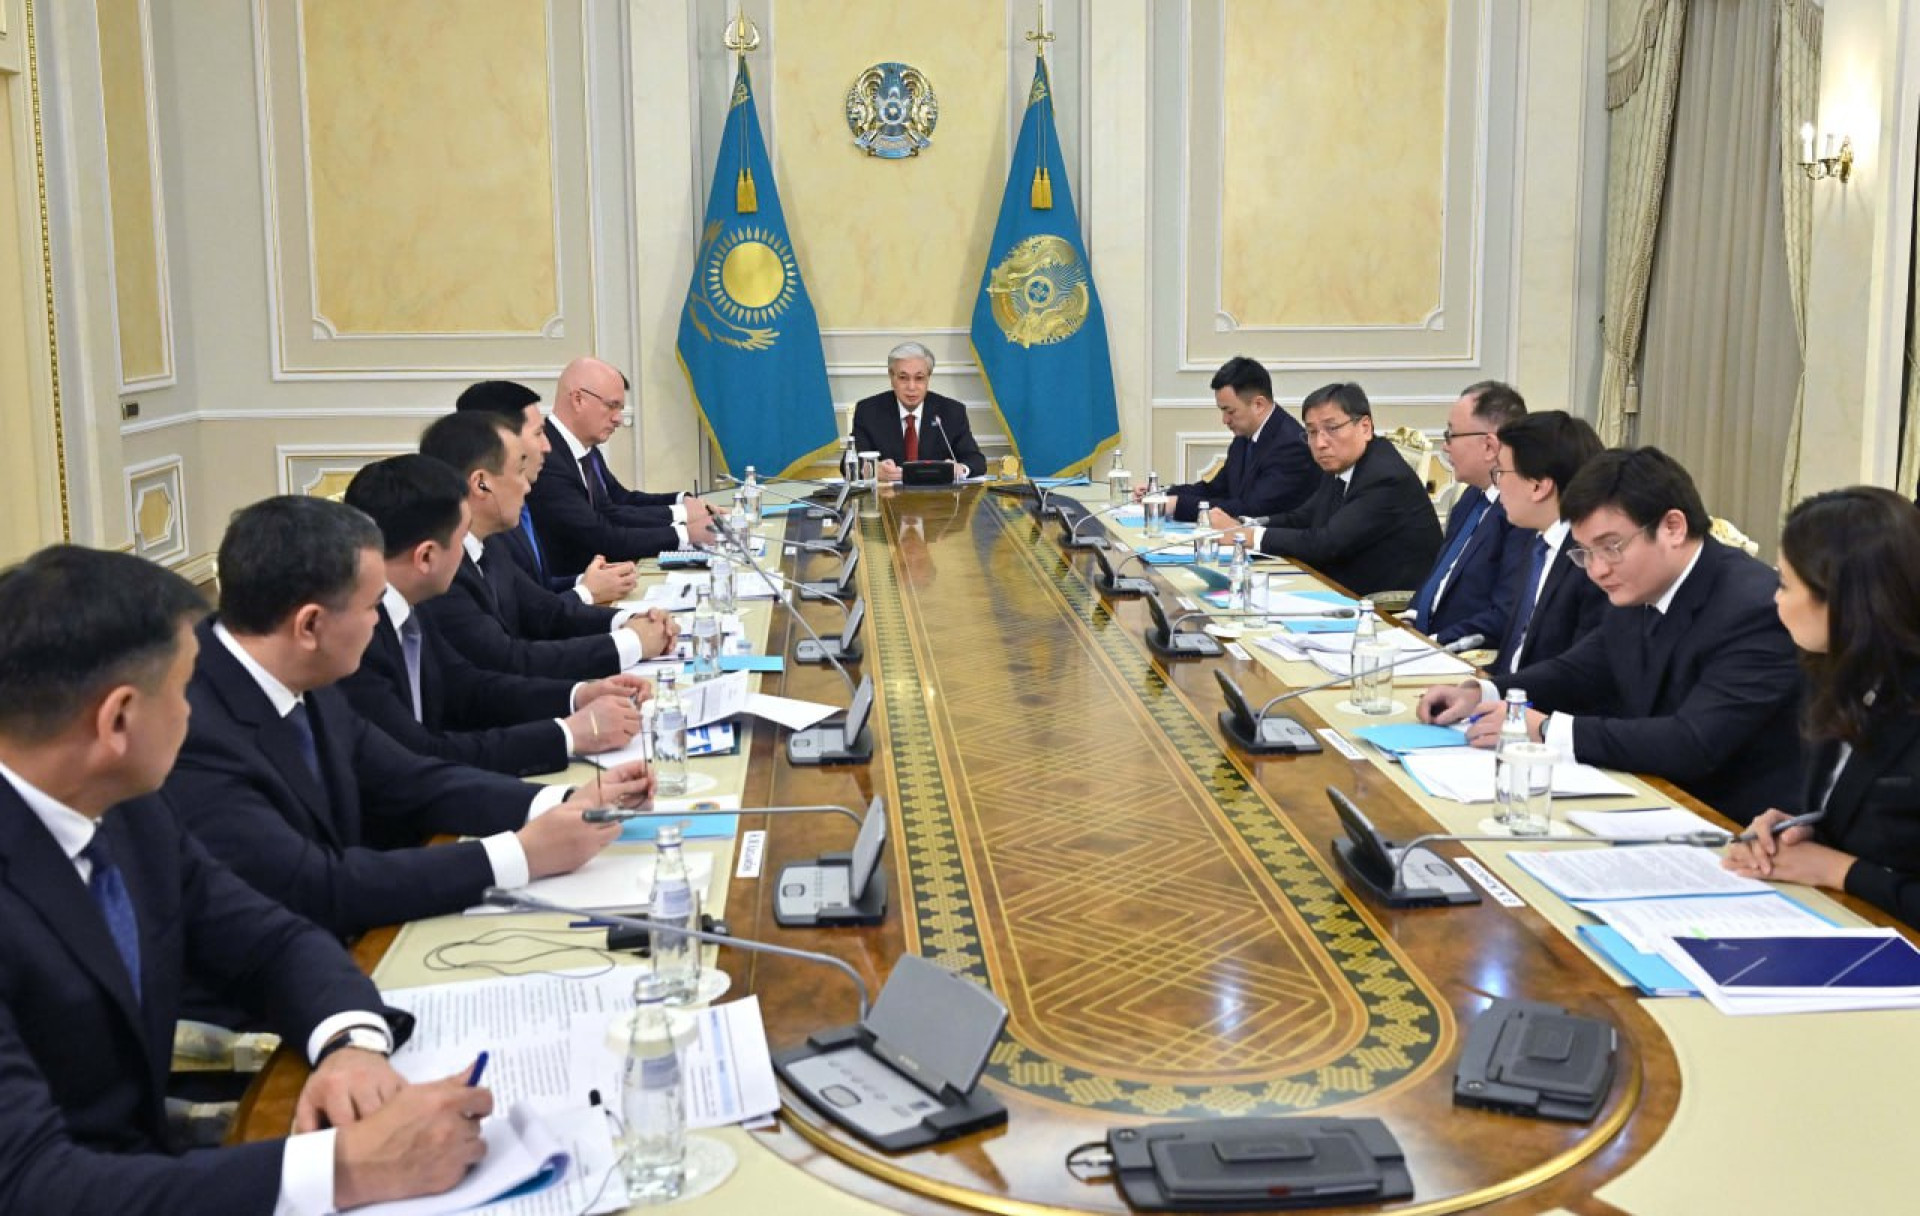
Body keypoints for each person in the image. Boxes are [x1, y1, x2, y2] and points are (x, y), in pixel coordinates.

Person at [0, 545, 492, 1212]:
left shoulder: (129, 810)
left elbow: (270, 940)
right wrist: (345, 1168)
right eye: (183, 690)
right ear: (117, 719)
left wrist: (349, 1043)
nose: (193, 712)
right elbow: (30, 1184)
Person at [162, 496, 648, 939]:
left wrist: (562, 802)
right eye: (372, 606)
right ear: (310, 624)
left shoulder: (300, 668)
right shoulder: (191, 729)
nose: (381, 620)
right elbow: (314, 884)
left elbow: (411, 779)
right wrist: (520, 855)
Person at [1416, 446, 1802, 823]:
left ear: (1673, 527)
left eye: (1610, 547)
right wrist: (1485, 693)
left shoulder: (1754, 608)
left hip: (1732, 824)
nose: (1597, 570)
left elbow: (1694, 742)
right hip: (1651, 795)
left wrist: (1547, 729)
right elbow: (1582, 669)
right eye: (1585, 552)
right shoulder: (1641, 584)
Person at [338, 455, 647, 776]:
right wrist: (569, 735)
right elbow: (419, 755)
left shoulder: (408, 602)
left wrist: (578, 695)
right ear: (426, 556)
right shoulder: (359, 637)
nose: (467, 552)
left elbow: (467, 687)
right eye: (461, 539)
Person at [1724, 487, 1920, 925]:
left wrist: (1838, 869)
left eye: (1784, 584)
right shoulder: (1833, 671)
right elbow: (1870, 817)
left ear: (1845, 600)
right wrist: (1799, 827)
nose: (1775, 599)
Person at [418, 410, 678, 680]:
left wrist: (629, 621)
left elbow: (547, 612)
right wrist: (631, 643)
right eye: (519, 472)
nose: (528, 488)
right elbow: (508, 660)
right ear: (481, 484)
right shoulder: (443, 570)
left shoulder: (490, 544)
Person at [1210, 382, 1441, 595]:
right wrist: (1244, 524)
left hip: (1381, 605)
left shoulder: (1384, 477)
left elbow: (1326, 544)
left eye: (1332, 428)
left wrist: (1246, 537)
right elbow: (1304, 517)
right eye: (1312, 432)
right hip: (1338, 584)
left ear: (1365, 427)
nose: (1320, 443)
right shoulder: (1342, 463)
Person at [525, 356, 719, 577]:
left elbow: (619, 502)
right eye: (611, 406)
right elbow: (602, 537)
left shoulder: (585, 448)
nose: (618, 418)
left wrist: (682, 503)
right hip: (576, 586)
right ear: (578, 399)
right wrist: (686, 533)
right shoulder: (547, 460)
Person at [456, 379, 638, 602]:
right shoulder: (486, 524)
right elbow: (523, 615)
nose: (547, 446)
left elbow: (535, 588)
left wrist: (588, 581)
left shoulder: (515, 503)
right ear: (503, 439)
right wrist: (586, 593)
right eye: (538, 433)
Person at [1404, 382, 1528, 644]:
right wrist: (1408, 619)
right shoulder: (1471, 497)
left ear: (1489, 446)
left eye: (1452, 435)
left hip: (1460, 654)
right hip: (1418, 641)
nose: (1445, 447)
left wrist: (1434, 642)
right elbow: (1438, 579)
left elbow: (1504, 616)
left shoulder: (1521, 516)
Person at [1486, 410, 1608, 676]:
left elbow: (1577, 674)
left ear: (1539, 487)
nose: (1497, 485)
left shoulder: (1591, 561)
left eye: (1501, 472)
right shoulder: (1537, 545)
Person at [1142, 356, 1315, 523]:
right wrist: (1161, 495)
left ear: (1258, 405)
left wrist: (1178, 505)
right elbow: (1217, 489)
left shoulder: (1291, 447)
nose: (1225, 420)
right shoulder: (1244, 437)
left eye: (1230, 411)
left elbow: (1252, 509)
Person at [849, 341, 986, 481]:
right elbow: (849, 463)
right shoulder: (868, 411)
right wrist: (872, 470)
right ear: (891, 376)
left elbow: (976, 460)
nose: (911, 387)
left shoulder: (951, 411)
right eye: (903, 378)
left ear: (929, 377)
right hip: (888, 494)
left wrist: (960, 469)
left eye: (919, 378)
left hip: (938, 494)